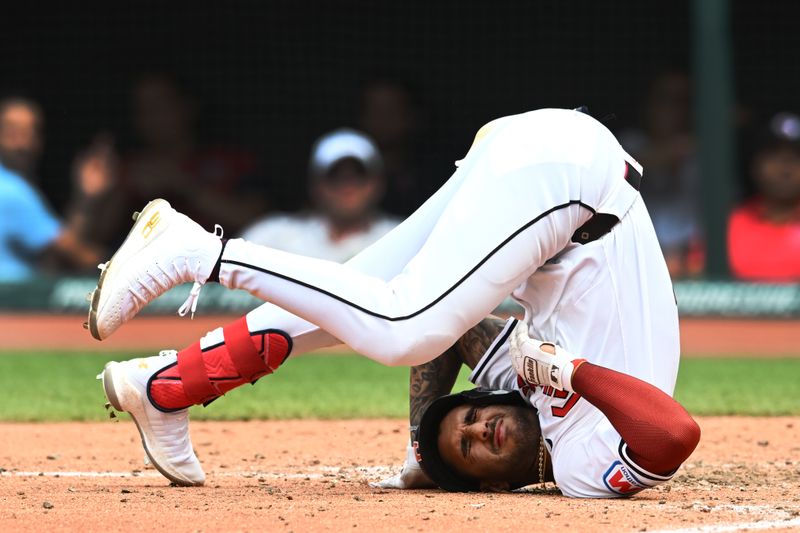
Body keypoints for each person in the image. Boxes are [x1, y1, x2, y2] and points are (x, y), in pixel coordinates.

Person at [89, 107, 698, 496]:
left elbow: (460, 335)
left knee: (364, 301)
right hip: (573, 186)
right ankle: (197, 253)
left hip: (546, 179)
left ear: (481, 487)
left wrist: (421, 449)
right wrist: (572, 372)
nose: (479, 429)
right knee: (405, 328)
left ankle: (166, 387)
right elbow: (672, 435)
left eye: (463, 441)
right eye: (467, 433)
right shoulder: (580, 464)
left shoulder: (526, 394)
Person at [241, 129, 399, 263]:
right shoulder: (274, 237)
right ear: (315, 185)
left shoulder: (401, 238)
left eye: (359, 176)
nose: (348, 187)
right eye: (335, 176)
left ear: (378, 183)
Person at [0, 97, 102, 281]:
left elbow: (51, 262)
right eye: (12, 131)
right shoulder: (11, 191)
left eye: (30, 132)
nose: (23, 143)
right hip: (11, 306)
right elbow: (77, 255)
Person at [617, 69, 703, 277]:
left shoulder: (707, 155)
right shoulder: (628, 142)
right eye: (665, 100)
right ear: (648, 104)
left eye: (681, 101)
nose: (673, 110)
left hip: (694, 260)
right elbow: (635, 165)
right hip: (633, 261)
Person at [728, 112, 800, 282]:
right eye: (773, 154)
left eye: (796, 156)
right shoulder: (731, 225)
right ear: (755, 164)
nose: (785, 167)